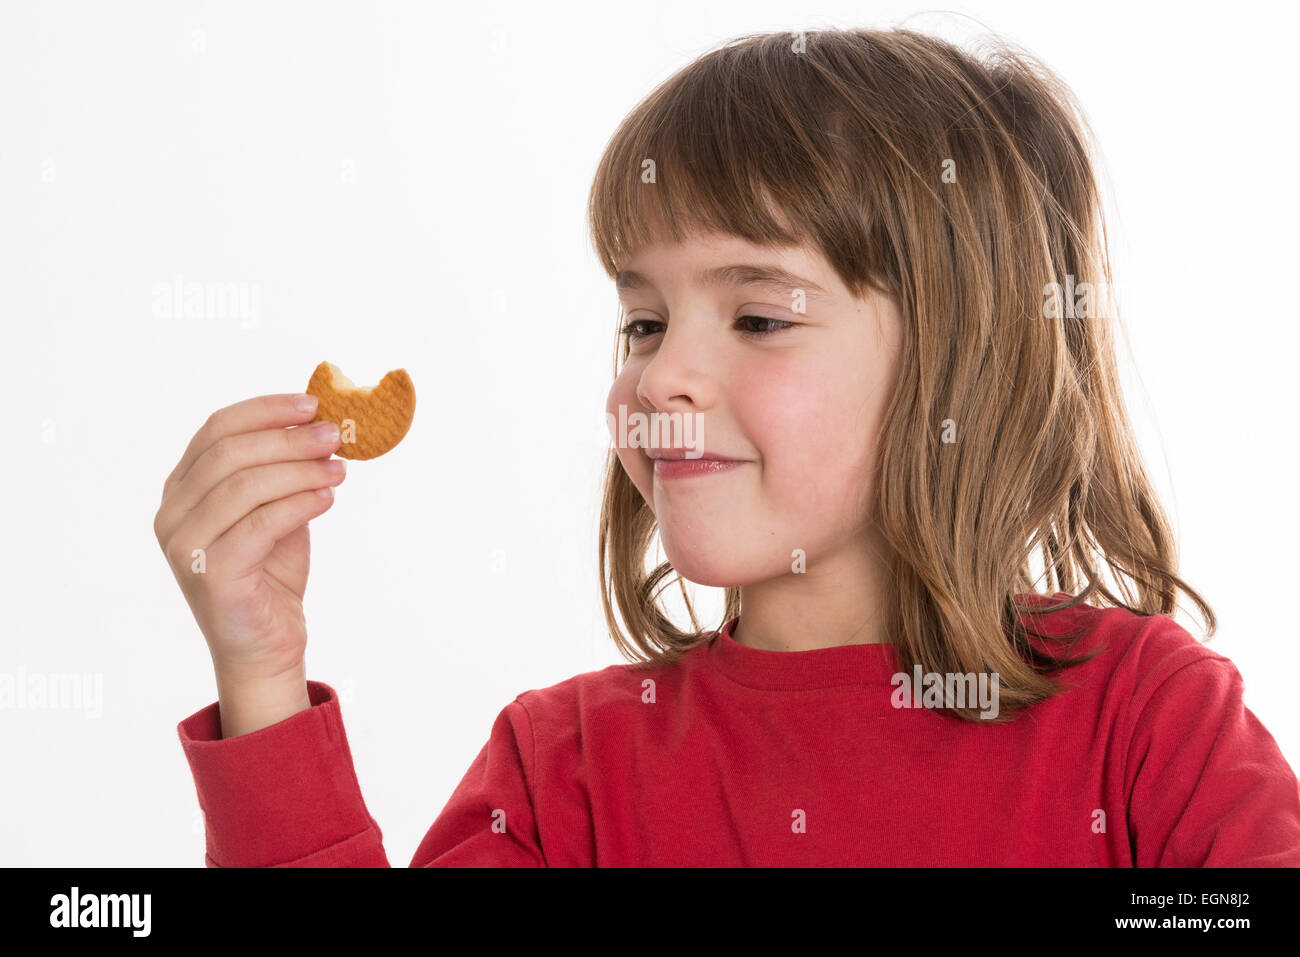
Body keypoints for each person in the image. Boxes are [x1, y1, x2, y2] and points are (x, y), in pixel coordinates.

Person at [155, 27, 1300, 866]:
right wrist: (260, 676)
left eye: (757, 316)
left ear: (965, 356)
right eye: (643, 321)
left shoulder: (1150, 727)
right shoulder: (570, 771)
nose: (660, 374)